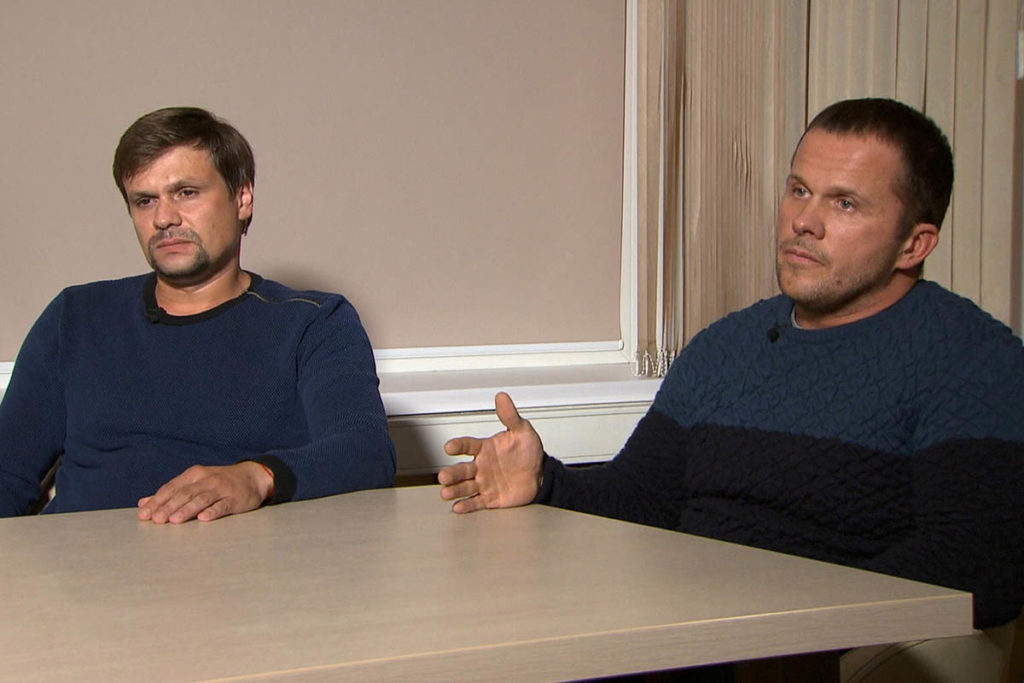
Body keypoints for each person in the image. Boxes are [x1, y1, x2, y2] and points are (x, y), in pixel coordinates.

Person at [439, 98, 1023, 631]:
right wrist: (546, 482)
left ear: (914, 245)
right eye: (799, 190)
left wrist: (776, 629)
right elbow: (641, 500)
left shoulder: (972, 359)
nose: (804, 221)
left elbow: (977, 566)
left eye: (844, 203)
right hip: (680, 630)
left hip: (803, 651)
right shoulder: (726, 347)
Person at [0, 107, 395, 523]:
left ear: (242, 199)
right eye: (145, 201)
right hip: (79, 555)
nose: (163, 218)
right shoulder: (77, 317)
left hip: (235, 556)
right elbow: (7, 472)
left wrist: (257, 477)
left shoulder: (313, 323)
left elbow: (365, 452)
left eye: (186, 193)